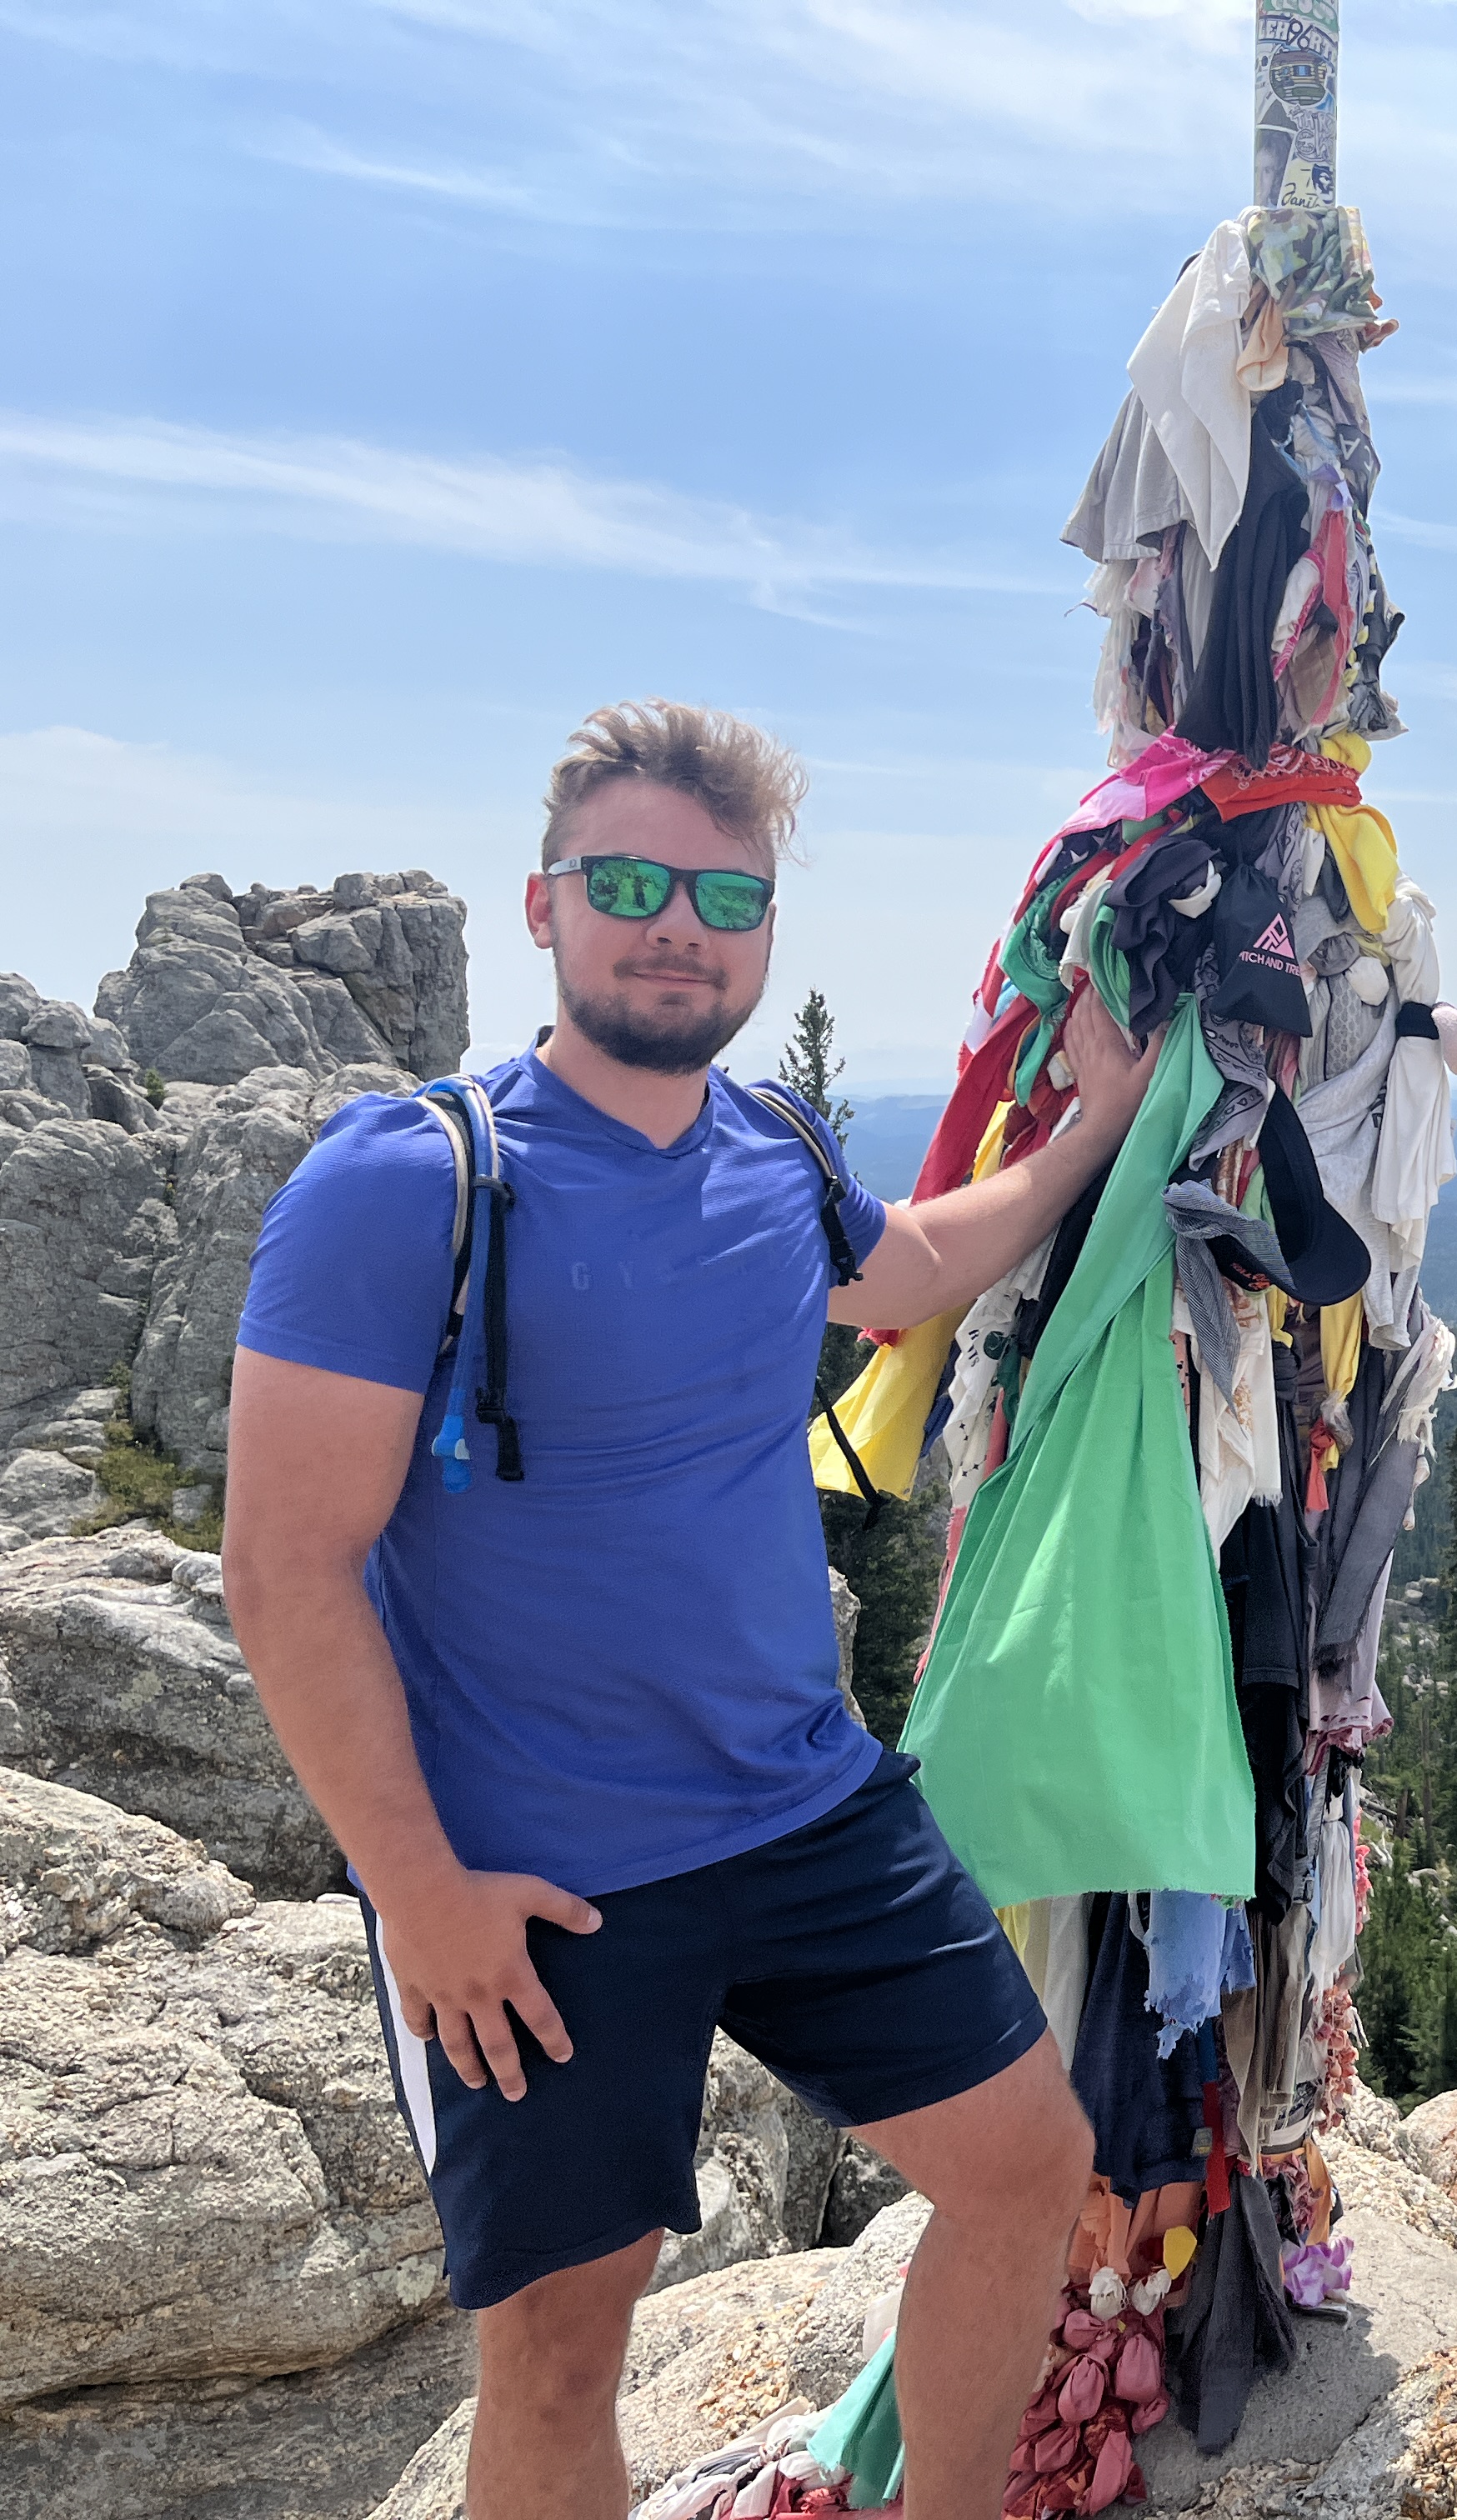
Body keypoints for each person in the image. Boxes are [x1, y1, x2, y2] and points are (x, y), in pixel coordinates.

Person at [220, 700, 1154, 2520]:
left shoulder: (774, 1153)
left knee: (1029, 2166)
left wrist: (1097, 1118)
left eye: (727, 893)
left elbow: (917, 1270)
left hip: (807, 1810)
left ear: (767, 935)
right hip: (542, 1880)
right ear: (544, 907)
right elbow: (285, 1566)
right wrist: (419, 1893)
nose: (680, 924)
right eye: (632, 881)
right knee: (566, 2352)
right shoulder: (408, 1182)